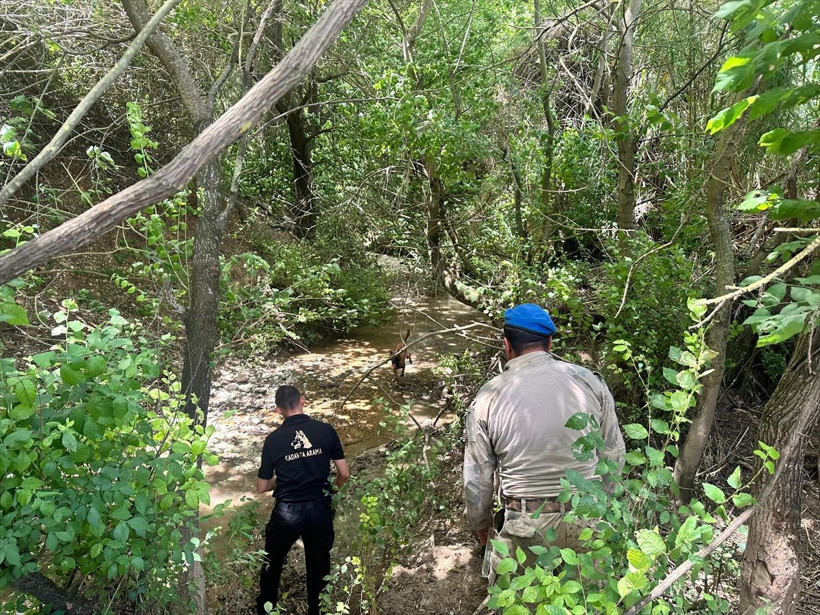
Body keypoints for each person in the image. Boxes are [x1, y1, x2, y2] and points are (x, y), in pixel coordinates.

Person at [463, 303, 625, 576]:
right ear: (549, 342)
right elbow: (613, 454)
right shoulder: (588, 382)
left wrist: (481, 524)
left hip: (525, 525)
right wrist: (605, 507)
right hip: (586, 517)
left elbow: (477, 477)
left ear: (507, 344)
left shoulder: (488, 397)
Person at [256, 385, 350, 615]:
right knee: (319, 566)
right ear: (303, 401)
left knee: (272, 564)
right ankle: (317, 611)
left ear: (278, 410)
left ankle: (267, 610)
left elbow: (261, 487)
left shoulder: (273, 440)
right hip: (319, 508)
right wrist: (332, 490)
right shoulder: (325, 430)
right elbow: (344, 473)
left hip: (287, 513)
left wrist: (284, 480)